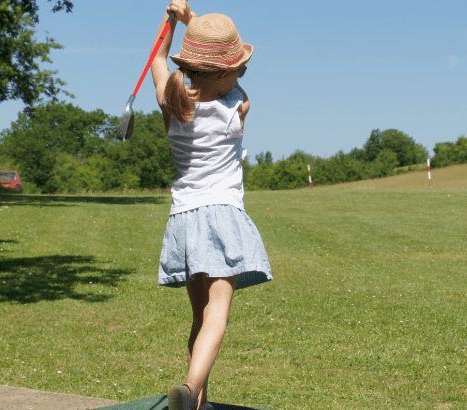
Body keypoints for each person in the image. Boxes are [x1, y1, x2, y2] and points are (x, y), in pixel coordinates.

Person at [149, 2, 271, 409]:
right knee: (218, 313)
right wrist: (192, 17)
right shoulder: (239, 105)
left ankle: (195, 404)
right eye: (237, 67)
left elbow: (159, 57)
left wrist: (174, 22)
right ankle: (188, 389)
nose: (241, 72)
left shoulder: (171, 105)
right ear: (224, 72)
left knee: (200, 318)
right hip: (222, 215)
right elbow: (231, 79)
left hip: (184, 218)